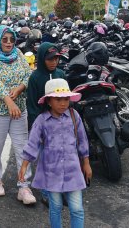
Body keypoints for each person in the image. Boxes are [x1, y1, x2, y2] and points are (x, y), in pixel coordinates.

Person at [19, 78, 91, 228]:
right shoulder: (42, 120)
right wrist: (24, 165)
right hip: (52, 172)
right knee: (56, 207)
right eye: (58, 99)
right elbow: (32, 143)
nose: (63, 103)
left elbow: (83, 141)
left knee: (77, 209)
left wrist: (86, 163)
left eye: (66, 99)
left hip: (73, 171)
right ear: (49, 101)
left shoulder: (74, 116)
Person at [0, 25, 35, 204]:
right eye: (5, 39)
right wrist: (8, 100)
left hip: (19, 109)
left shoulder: (18, 54)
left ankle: (24, 186)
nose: (9, 43)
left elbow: (28, 74)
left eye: (12, 39)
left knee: (22, 147)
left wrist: (19, 89)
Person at [26, 43, 66, 130]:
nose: (54, 62)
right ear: (41, 59)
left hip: (61, 121)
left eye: (56, 58)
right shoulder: (34, 78)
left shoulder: (61, 74)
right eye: (50, 59)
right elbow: (32, 106)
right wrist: (36, 128)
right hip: (43, 123)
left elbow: (67, 98)